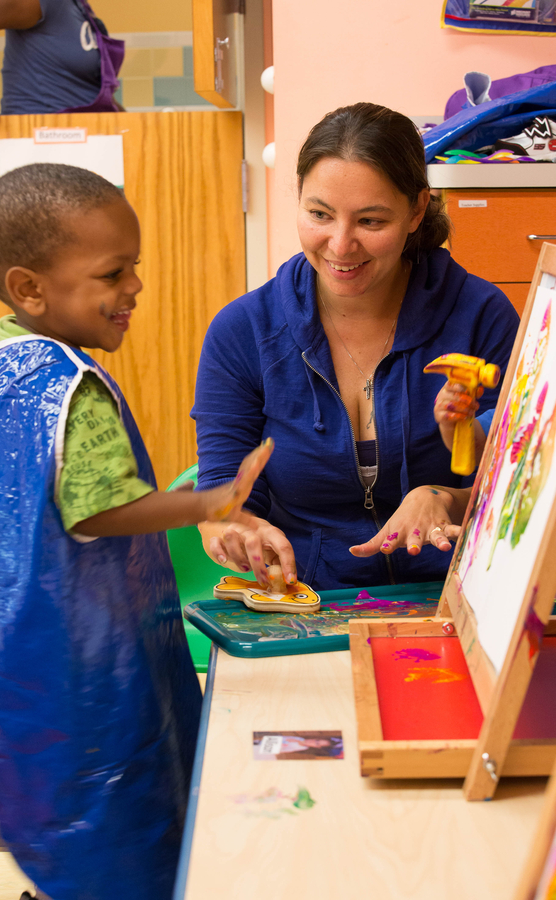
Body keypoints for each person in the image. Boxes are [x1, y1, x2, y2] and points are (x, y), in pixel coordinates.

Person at [0, 163, 272, 900]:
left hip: (8, 642)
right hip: (84, 656)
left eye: (135, 266)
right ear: (29, 288)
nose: (134, 287)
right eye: (112, 273)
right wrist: (210, 502)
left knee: (49, 800)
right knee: (117, 806)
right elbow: (97, 510)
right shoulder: (72, 383)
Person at [192, 102, 520, 592]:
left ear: (415, 211)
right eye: (319, 214)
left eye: (370, 221)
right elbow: (223, 485)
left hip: (460, 594)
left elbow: (521, 477)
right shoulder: (243, 331)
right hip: (312, 598)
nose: (340, 246)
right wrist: (232, 525)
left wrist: (445, 496)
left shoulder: (480, 314)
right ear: (297, 199)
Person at [0, 0, 124, 148]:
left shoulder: (78, 9)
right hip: (43, 144)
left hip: (85, 144)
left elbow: (92, 92)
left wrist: (133, 126)